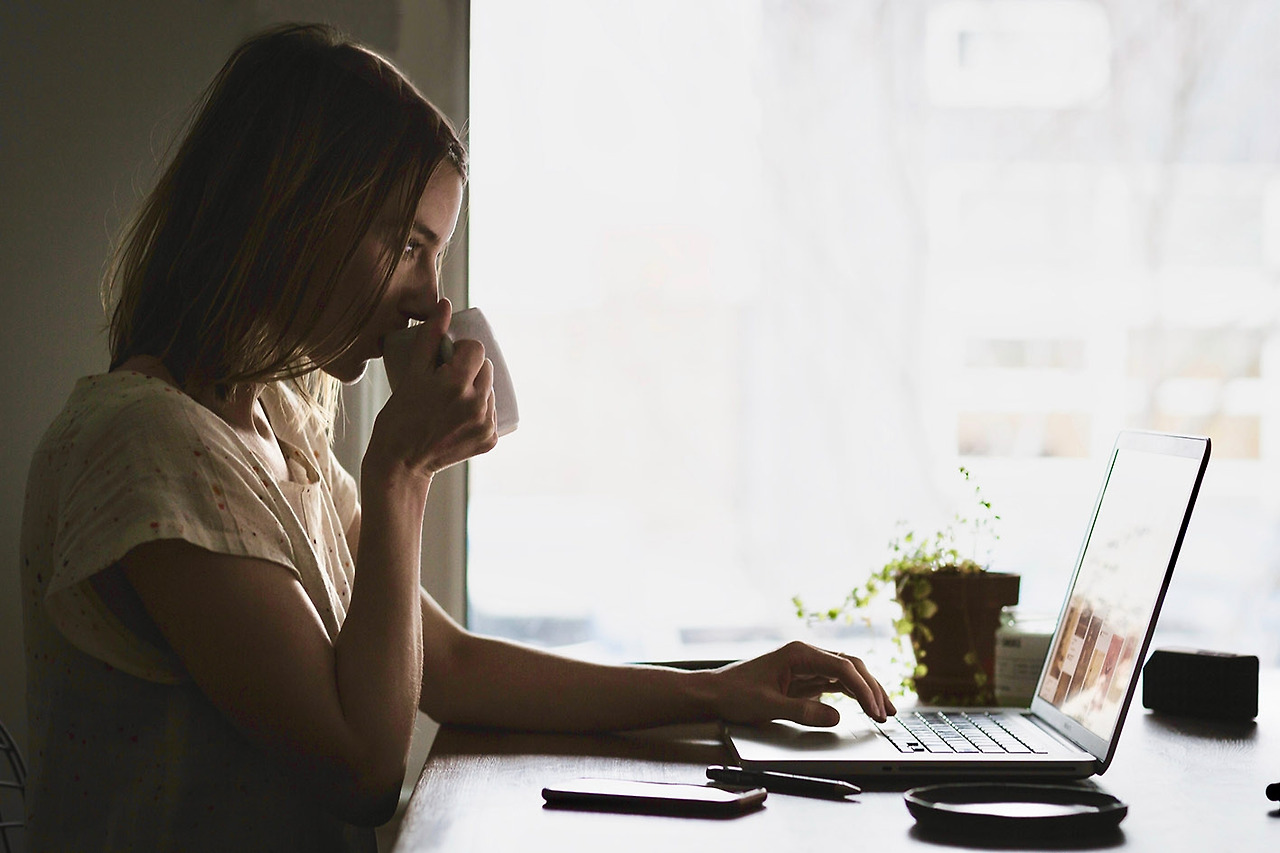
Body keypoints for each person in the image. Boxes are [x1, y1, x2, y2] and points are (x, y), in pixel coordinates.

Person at [19, 23, 895, 852]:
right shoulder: (147, 444)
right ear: (293, 217)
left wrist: (721, 690)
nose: (428, 300)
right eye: (407, 245)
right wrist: (401, 468)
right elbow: (360, 767)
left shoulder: (276, 426)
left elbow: (446, 662)